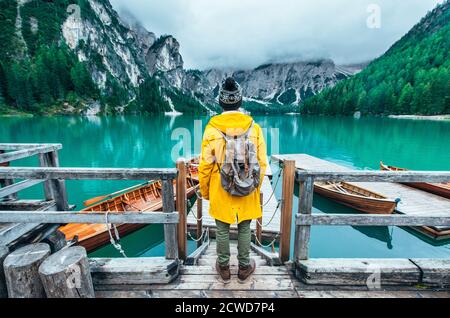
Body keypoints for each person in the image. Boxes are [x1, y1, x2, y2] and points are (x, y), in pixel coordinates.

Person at [198, 77, 267, 284]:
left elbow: (205, 166)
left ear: (221, 103)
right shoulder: (254, 128)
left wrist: (207, 191)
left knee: (222, 228)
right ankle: (245, 268)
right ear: (240, 101)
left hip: (221, 187)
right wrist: (254, 186)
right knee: (245, 227)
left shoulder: (212, 129)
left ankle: (224, 268)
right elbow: (261, 164)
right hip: (247, 187)